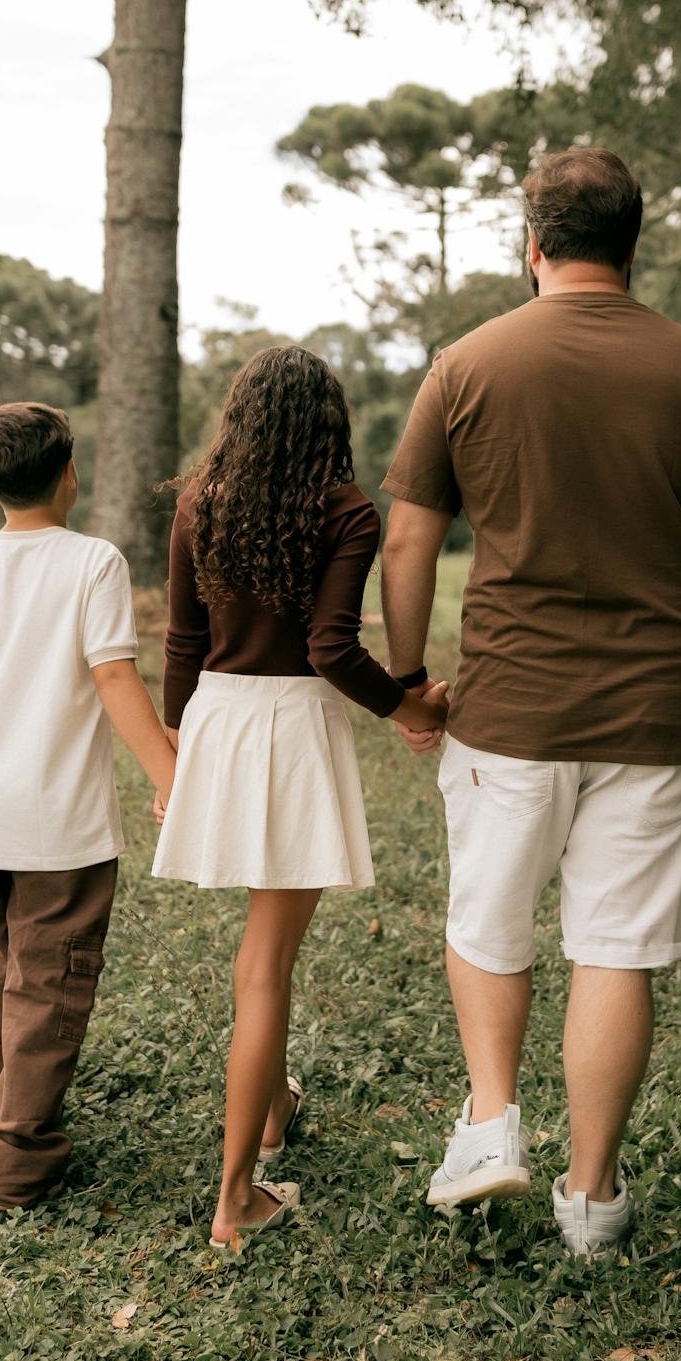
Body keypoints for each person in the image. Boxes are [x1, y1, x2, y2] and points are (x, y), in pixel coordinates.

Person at [380, 147, 681, 1256]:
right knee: (614, 950)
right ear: (633, 245)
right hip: (661, 712)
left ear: (534, 246)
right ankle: (592, 1199)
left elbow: (410, 535)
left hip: (510, 706)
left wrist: (409, 681)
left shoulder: (467, 364)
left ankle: (493, 1124)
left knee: (488, 921)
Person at [154, 345, 448, 1253]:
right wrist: (410, 704)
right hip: (290, 733)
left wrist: (179, 755)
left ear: (238, 416)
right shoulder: (344, 510)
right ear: (330, 423)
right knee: (265, 969)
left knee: (261, 959)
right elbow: (330, 647)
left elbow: (180, 641)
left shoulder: (200, 501)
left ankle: (276, 1108)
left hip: (218, 720)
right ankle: (237, 1197)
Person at [0, 401, 178, 1213]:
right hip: (59, 823)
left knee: (2, 967)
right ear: (70, 474)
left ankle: (7, 1102)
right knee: (49, 983)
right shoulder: (93, 562)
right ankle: (16, 1164)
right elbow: (113, 678)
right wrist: (171, 774)